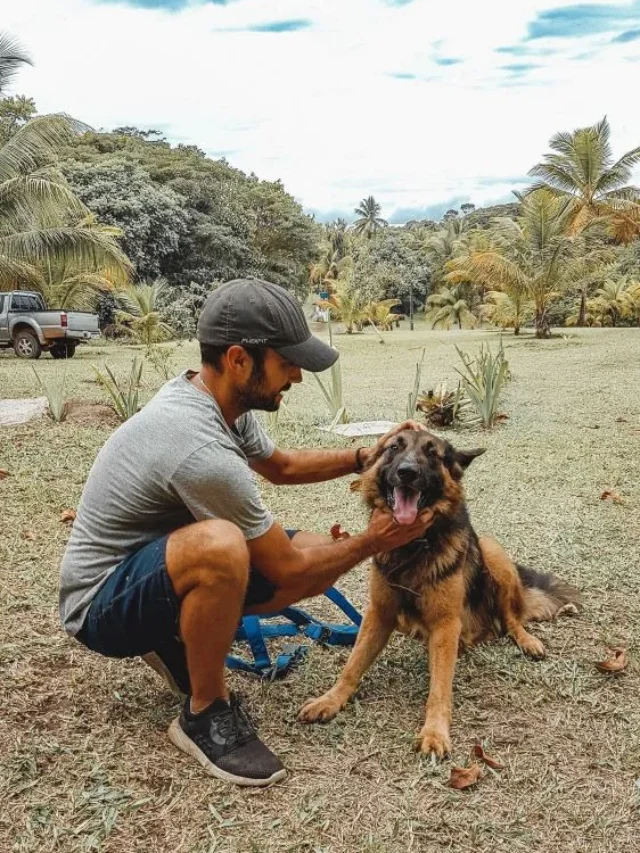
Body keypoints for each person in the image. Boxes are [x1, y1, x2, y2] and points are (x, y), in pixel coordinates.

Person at [59, 277, 432, 787]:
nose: (297, 377)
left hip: (148, 567)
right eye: (287, 363)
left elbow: (280, 466)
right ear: (239, 360)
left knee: (323, 552)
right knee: (225, 547)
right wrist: (373, 540)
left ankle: (172, 635)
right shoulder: (197, 444)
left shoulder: (219, 402)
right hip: (99, 605)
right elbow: (285, 569)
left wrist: (365, 457)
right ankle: (204, 713)